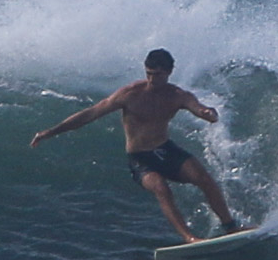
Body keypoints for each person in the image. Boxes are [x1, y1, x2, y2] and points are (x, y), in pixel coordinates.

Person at [30, 48, 244, 243]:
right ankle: (189, 238)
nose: (152, 79)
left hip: (165, 150)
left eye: (157, 74)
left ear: (169, 72)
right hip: (140, 158)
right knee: (160, 187)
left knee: (204, 179)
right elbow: (90, 114)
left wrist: (208, 114)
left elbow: (200, 109)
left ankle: (230, 227)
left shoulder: (178, 96)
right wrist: (51, 132)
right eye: (148, 73)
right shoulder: (130, 94)